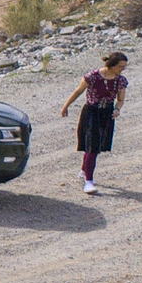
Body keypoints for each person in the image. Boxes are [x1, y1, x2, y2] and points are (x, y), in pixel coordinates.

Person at [59, 51, 129, 195]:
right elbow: (78, 91)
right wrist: (66, 106)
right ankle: (89, 181)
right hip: (91, 112)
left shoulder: (120, 80)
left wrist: (117, 109)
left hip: (107, 113)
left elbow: (121, 100)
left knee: (96, 146)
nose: (123, 69)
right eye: (121, 66)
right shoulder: (92, 76)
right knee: (92, 145)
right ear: (112, 65)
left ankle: (84, 170)